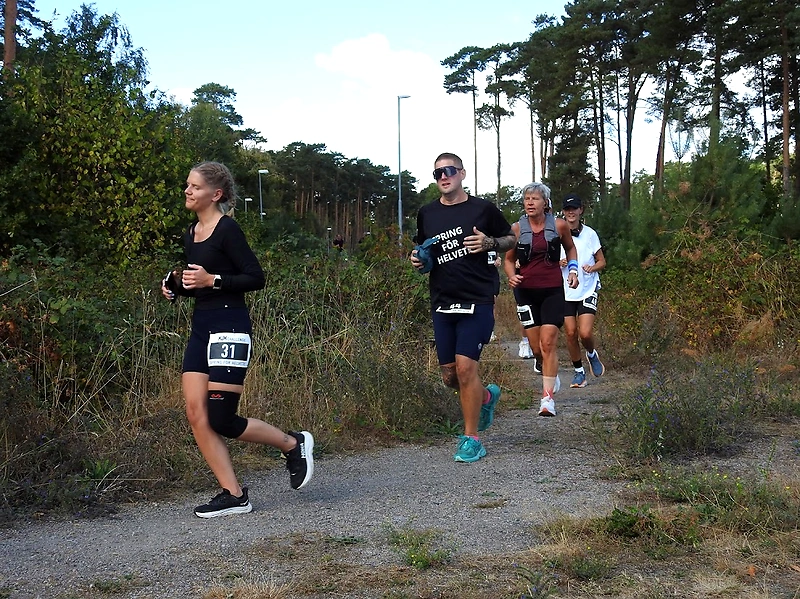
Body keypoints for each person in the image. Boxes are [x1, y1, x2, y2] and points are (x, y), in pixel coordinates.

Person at [161, 161, 314, 518]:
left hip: (230, 328)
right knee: (196, 413)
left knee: (222, 419)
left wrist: (212, 280)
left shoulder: (228, 229)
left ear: (215, 194)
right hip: (201, 329)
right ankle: (234, 495)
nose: (187, 191)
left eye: (195, 187)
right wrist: (174, 285)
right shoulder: (191, 231)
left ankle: (292, 444)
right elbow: (197, 279)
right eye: (187, 185)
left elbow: (254, 277)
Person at [410, 152, 515, 463]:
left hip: (478, 298)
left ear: (462, 174)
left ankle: (471, 439)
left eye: (450, 171)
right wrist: (417, 260)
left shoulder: (482, 209)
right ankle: (485, 397)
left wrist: (491, 244)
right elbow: (421, 250)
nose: (444, 176)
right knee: (450, 376)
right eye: (438, 173)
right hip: (442, 300)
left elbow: (511, 237)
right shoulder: (426, 213)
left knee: (467, 367)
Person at [503, 182, 578, 417]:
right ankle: (548, 372)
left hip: (552, 290)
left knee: (548, 344)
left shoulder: (559, 225)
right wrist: (512, 276)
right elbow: (507, 260)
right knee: (536, 348)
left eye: (534, 199)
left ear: (545, 202)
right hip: (525, 292)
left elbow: (571, 249)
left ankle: (547, 399)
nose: (529, 203)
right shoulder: (516, 229)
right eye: (526, 199)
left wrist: (573, 270)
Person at [559, 194, 606, 388]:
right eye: (567, 209)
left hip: (587, 287)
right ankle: (579, 372)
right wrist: (557, 263)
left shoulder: (590, 234)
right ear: (563, 212)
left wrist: (591, 267)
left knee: (585, 333)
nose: (571, 212)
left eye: (574, 208)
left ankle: (592, 354)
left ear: (581, 210)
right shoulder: (556, 233)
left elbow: (602, 261)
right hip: (564, 289)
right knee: (570, 333)